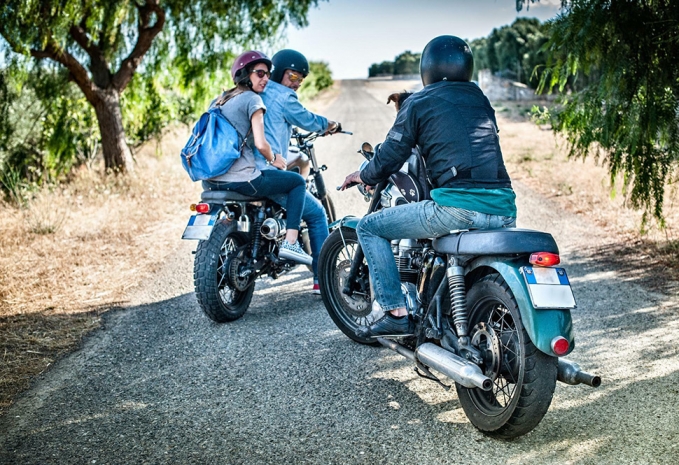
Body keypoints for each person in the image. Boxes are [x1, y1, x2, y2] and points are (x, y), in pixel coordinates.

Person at [340, 36, 517, 337]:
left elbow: (391, 155)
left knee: (369, 227)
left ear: (428, 68)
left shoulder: (419, 101)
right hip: (505, 209)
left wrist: (365, 175)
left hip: (456, 209)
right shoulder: (480, 100)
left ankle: (395, 313)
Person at [202, 50, 312, 266]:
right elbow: (261, 144)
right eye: (260, 73)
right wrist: (274, 159)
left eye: (268, 74)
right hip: (243, 179)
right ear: (245, 74)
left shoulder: (220, 99)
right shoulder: (253, 99)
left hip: (211, 179)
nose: (266, 79)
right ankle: (290, 242)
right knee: (297, 182)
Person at [255, 49, 340, 294]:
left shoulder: (256, 91)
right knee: (316, 213)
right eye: (292, 77)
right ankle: (323, 279)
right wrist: (330, 125)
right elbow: (307, 119)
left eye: (300, 80)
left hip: (243, 170)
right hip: (266, 170)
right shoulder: (283, 97)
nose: (296, 84)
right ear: (280, 72)